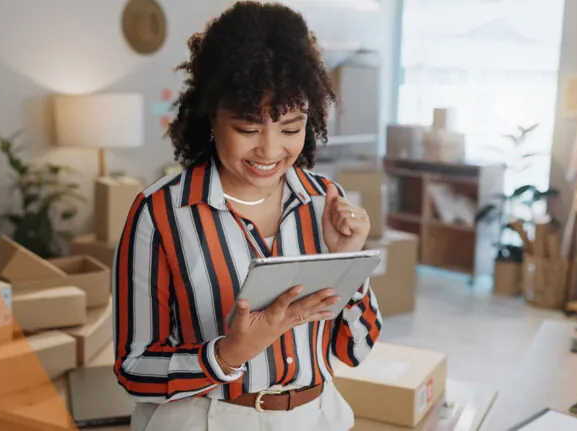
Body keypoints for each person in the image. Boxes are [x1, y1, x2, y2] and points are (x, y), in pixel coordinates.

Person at [111, 2, 382, 430]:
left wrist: (350, 260)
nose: (271, 151)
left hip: (316, 418)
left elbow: (358, 349)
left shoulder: (325, 200)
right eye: (248, 129)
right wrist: (229, 353)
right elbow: (133, 369)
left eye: (291, 128)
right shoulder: (161, 214)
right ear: (211, 117)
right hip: (209, 419)